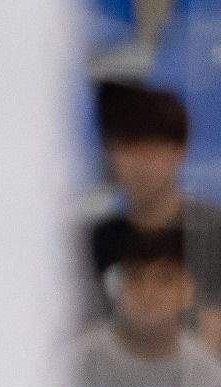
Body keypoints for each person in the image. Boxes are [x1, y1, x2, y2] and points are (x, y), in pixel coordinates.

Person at [89, 83, 221, 356]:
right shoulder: (95, 241)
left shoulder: (212, 233)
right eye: (129, 147)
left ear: (179, 150)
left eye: (154, 147)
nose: (143, 164)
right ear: (110, 155)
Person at [76, 228, 221, 387]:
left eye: (164, 279)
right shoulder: (77, 364)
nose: (147, 293)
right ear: (116, 287)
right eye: (136, 277)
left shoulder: (207, 375)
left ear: (188, 292)